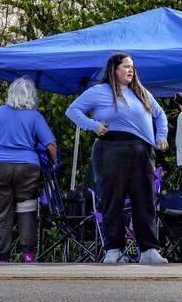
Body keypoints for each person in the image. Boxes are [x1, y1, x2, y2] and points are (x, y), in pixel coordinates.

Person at [66, 53, 169, 264]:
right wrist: (93, 126)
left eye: (132, 67)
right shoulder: (99, 91)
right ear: (114, 69)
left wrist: (161, 136)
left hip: (141, 151)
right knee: (112, 200)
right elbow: (72, 110)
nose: (131, 70)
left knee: (145, 199)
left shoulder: (141, 93)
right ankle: (113, 249)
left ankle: (149, 250)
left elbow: (160, 115)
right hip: (111, 148)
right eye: (126, 67)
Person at [0, 77, 57, 263]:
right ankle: (28, 255)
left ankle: (2, 257)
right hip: (27, 169)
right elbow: (51, 144)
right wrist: (53, 162)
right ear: (32, 95)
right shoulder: (34, 116)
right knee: (27, 210)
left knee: (1, 212)